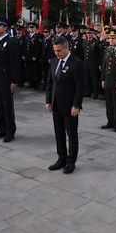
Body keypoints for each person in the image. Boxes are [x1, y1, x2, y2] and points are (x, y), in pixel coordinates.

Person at [45, 36, 84, 174]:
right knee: (58, 133)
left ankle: (71, 161)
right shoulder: (54, 61)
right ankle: (61, 158)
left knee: (71, 135)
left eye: (59, 50)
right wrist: (48, 101)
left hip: (70, 107)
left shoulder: (76, 63)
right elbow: (50, 82)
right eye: (55, 50)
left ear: (67, 48)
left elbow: (80, 86)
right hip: (56, 105)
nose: (57, 53)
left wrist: (76, 105)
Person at [24, 22, 43, 89]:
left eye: (32, 27)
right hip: (28, 57)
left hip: (34, 57)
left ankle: (36, 84)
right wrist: (24, 55)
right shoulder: (27, 36)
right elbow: (25, 46)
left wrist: (35, 56)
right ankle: (30, 83)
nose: (31, 29)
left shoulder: (38, 36)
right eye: (30, 27)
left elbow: (38, 48)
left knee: (35, 71)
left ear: (35, 29)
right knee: (29, 70)